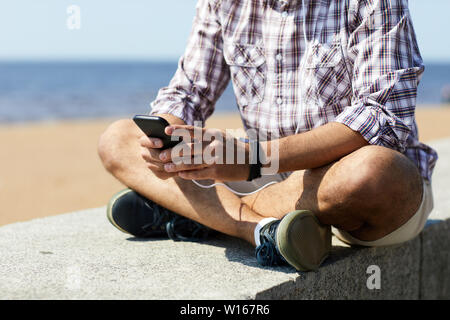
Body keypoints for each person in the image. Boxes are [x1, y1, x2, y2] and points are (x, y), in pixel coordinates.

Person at [98, 0, 438, 271]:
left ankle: (208, 217)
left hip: (332, 179)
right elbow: (189, 92)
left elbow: (383, 118)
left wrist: (251, 158)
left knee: (374, 173)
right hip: (264, 175)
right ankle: (258, 230)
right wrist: (168, 139)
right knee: (119, 139)